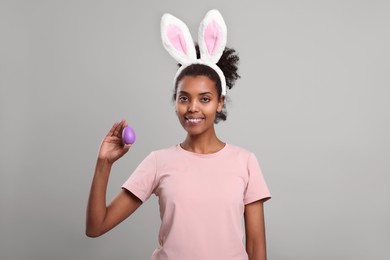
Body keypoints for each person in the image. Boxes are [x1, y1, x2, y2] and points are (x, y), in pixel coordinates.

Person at [86, 9, 271, 260]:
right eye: (184, 98)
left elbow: (257, 248)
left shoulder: (245, 162)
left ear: (219, 102)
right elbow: (96, 227)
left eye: (204, 99)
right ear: (176, 102)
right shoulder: (157, 162)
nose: (193, 107)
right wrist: (103, 164)